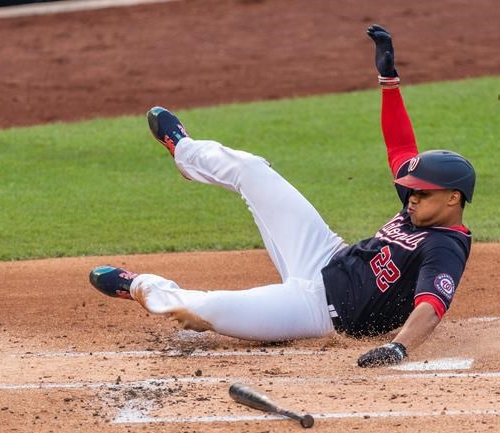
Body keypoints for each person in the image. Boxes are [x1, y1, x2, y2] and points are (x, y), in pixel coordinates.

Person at [89, 25, 475, 367]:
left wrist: (399, 349)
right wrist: (388, 79)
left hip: (318, 311)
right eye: (411, 191)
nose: (410, 197)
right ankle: (185, 151)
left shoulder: (445, 247)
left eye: (421, 194)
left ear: (453, 199)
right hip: (324, 253)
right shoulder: (420, 207)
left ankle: (140, 285)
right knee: (254, 170)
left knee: (199, 310)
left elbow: (432, 306)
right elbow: (400, 148)